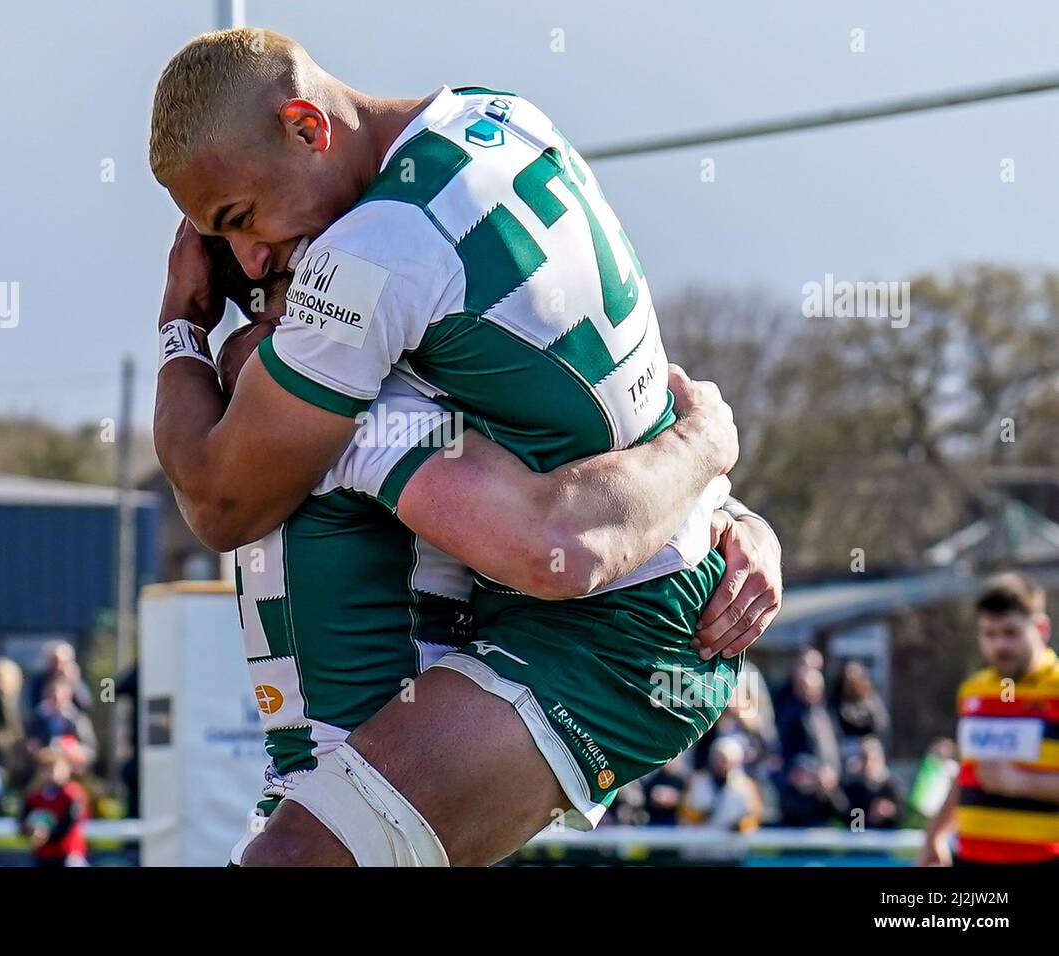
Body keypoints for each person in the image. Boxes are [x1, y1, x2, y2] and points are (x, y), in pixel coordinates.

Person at [149, 29, 785, 865]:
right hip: (601, 586)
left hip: (611, 623)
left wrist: (179, 330)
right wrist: (714, 476)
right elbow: (579, 394)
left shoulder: (367, 284)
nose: (253, 256)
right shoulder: (496, 118)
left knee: (292, 862)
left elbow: (222, 499)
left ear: (307, 127)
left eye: (241, 221)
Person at [203, 233, 779, 865]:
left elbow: (577, 498)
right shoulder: (336, 391)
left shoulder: (366, 390)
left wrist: (731, 514)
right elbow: (560, 533)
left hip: (354, 789)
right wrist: (706, 449)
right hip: (321, 793)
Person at [919, 573, 1059, 866]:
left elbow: (1006, 779)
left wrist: (1022, 782)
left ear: (1041, 628)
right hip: (972, 859)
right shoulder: (974, 690)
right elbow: (968, 772)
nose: (1000, 646)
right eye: (990, 634)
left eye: (1011, 633)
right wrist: (935, 835)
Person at [20, 747, 89, 867]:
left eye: (55, 768)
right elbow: (22, 820)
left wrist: (46, 834)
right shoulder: (35, 796)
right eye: (47, 769)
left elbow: (67, 825)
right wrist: (31, 830)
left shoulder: (73, 795)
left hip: (69, 855)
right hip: (43, 856)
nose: (51, 774)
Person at [26, 675, 98, 771]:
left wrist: (76, 751)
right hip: (43, 768)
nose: (56, 700)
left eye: (59, 696)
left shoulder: (77, 719)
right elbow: (30, 744)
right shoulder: (38, 719)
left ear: (68, 695)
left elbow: (91, 751)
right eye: (51, 695)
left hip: (72, 768)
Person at [842, 735, 901, 830]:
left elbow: (903, 817)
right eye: (864, 758)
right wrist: (870, 817)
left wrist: (890, 812)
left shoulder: (892, 786)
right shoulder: (853, 787)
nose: (868, 764)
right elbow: (852, 823)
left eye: (872, 758)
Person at [27, 641, 91, 714]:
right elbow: (32, 705)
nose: (58, 665)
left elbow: (85, 705)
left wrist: (74, 682)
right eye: (54, 661)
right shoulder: (39, 681)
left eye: (62, 662)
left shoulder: (74, 681)